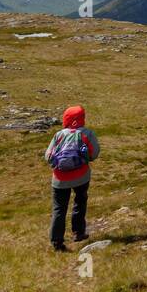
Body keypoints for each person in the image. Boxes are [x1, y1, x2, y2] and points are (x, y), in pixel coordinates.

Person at [44, 105, 100, 251]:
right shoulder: (87, 134)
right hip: (81, 176)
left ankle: (57, 242)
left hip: (59, 179)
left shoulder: (59, 135)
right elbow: (94, 154)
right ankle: (78, 232)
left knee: (59, 209)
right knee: (80, 201)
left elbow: (48, 156)